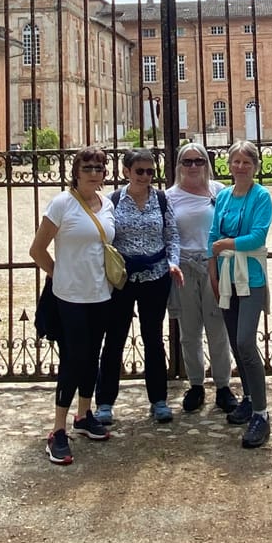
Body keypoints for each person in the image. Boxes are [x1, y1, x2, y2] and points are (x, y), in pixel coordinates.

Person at [27, 147, 118, 465]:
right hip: (70, 297)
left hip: (100, 294)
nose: (94, 173)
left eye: (99, 168)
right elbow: (37, 249)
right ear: (76, 172)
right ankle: (58, 430)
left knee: (92, 356)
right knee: (73, 359)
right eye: (88, 167)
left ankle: (83, 415)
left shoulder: (106, 204)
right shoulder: (62, 204)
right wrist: (58, 275)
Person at [95, 148, 182, 424]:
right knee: (115, 339)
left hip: (156, 276)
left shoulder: (161, 199)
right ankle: (105, 402)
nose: (145, 176)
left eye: (150, 172)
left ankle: (158, 399)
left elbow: (172, 235)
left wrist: (173, 262)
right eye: (140, 171)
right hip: (123, 279)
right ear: (126, 172)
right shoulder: (114, 201)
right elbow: (105, 236)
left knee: (154, 339)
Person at [210, 140, 272, 449]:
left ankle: (261, 414)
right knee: (236, 342)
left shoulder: (261, 196)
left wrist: (225, 245)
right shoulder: (222, 196)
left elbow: (257, 238)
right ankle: (248, 399)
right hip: (225, 278)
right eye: (235, 161)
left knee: (247, 341)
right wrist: (212, 269)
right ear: (228, 165)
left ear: (255, 166)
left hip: (251, 277)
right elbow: (212, 236)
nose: (240, 166)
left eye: (246, 161)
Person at [166, 141, 237, 415]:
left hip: (214, 265)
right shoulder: (169, 196)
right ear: (179, 166)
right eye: (187, 161)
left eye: (199, 161)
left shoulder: (219, 191)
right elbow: (167, 235)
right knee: (190, 330)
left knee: (217, 328)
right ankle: (195, 384)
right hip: (184, 266)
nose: (193, 166)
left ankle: (222, 385)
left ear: (207, 164)